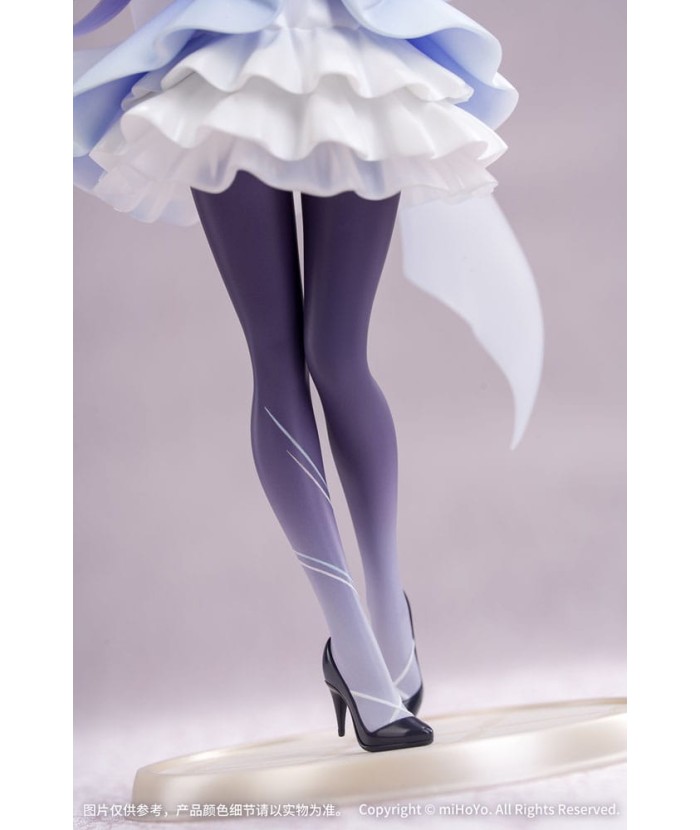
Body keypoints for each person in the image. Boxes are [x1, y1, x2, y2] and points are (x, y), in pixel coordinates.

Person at [74, 0, 541, 752]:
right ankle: (352, 643)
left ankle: (387, 607)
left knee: (336, 349)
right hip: (228, 51)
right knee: (275, 355)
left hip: (351, 42)